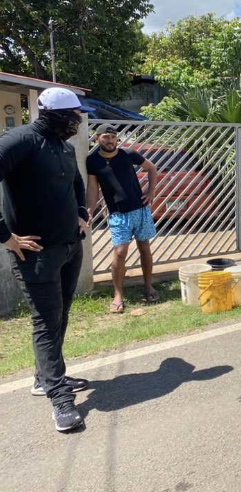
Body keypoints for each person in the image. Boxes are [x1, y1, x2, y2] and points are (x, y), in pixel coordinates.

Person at [0, 87, 94, 432]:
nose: (76, 121)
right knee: (45, 321)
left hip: (70, 247)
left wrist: (82, 212)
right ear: (51, 115)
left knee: (61, 315)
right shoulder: (19, 141)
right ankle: (60, 398)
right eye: (71, 115)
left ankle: (44, 378)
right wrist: (5, 237)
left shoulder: (65, 148)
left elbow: (77, 182)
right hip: (35, 254)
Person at [86, 125, 159, 313]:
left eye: (113, 137)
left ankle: (148, 286)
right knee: (119, 252)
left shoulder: (128, 154)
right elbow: (93, 187)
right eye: (105, 137)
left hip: (140, 210)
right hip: (118, 214)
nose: (110, 140)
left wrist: (150, 192)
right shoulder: (92, 161)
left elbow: (151, 168)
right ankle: (118, 294)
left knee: (144, 247)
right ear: (97, 139)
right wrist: (89, 209)